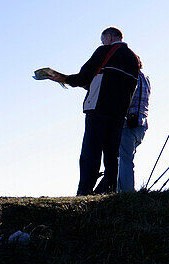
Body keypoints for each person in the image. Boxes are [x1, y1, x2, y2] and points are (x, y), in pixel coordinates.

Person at [59, 27, 140, 195]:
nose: (102, 42)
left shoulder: (106, 51)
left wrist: (64, 79)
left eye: (103, 39)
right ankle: (110, 189)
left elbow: (85, 75)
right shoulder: (133, 59)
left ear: (109, 37)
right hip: (119, 112)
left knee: (91, 151)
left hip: (99, 107)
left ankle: (85, 191)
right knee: (111, 154)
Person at [117, 58, 150, 193]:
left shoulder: (130, 78)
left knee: (125, 159)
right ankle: (122, 189)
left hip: (128, 124)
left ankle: (126, 191)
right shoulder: (145, 79)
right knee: (127, 157)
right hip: (141, 124)